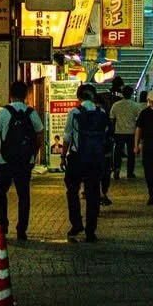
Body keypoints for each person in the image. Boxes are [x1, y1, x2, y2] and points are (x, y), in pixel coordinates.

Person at [0, 80, 45, 243]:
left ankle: (3, 225)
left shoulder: (2, 112)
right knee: (24, 195)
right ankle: (22, 229)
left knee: (1, 193)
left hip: (4, 160)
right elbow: (40, 134)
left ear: (10, 94)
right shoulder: (31, 112)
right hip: (24, 161)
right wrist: (33, 155)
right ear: (26, 95)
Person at [62, 84, 108, 242]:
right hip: (95, 158)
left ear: (79, 97)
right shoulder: (101, 112)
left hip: (77, 157)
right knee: (93, 194)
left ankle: (76, 224)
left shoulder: (74, 112)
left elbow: (68, 136)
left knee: (72, 191)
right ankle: (91, 230)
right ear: (93, 97)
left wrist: (63, 155)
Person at [109, 88, 140, 180]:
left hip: (119, 132)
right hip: (131, 132)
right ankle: (130, 172)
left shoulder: (116, 105)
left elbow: (111, 118)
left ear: (122, 94)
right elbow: (139, 118)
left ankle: (117, 171)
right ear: (131, 94)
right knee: (131, 153)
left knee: (117, 152)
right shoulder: (135, 105)